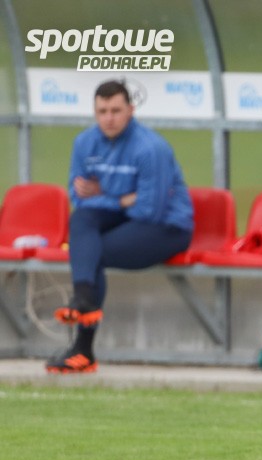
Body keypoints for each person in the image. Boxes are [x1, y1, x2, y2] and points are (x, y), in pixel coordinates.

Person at [46, 80, 193, 374]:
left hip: (167, 228)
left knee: (91, 252)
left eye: (116, 110)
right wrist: (124, 198)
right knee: (81, 220)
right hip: (124, 217)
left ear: (131, 110)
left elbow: (149, 210)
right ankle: (83, 297)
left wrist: (105, 195)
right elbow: (80, 198)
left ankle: (83, 348)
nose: (109, 118)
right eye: (102, 111)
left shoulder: (151, 148)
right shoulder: (84, 143)